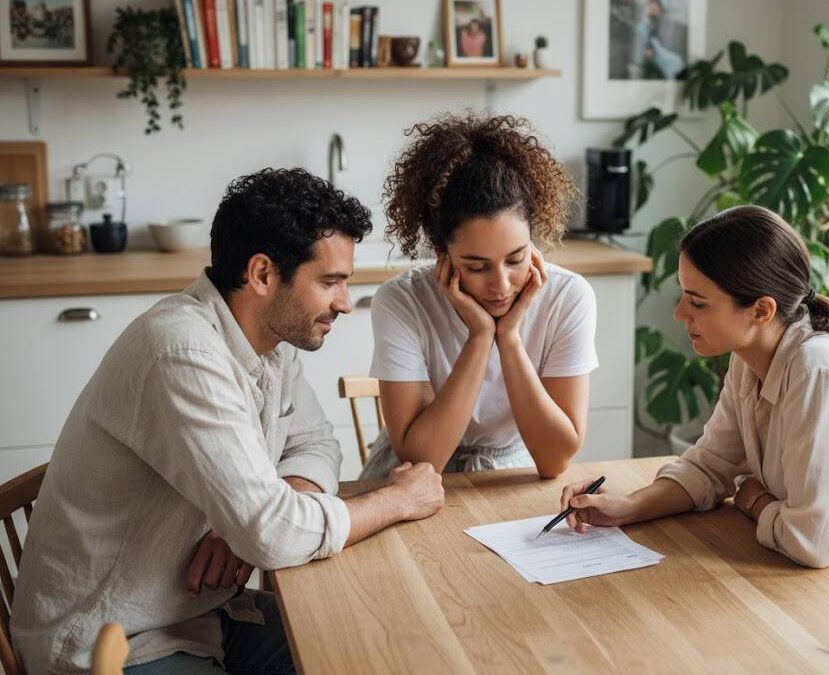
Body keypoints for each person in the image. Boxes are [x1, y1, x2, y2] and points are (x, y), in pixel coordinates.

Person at [10, 168, 445, 674]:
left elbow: (317, 444)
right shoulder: (182, 353)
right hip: (110, 642)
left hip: (198, 614)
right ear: (262, 274)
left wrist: (264, 515)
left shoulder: (270, 343)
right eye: (330, 282)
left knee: (375, 646)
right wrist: (397, 500)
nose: (344, 304)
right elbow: (271, 534)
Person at [558, 204, 829, 661]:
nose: (680, 313)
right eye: (684, 295)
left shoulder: (819, 369)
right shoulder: (749, 359)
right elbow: (710, 466)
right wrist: (628, 507)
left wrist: (755, 501)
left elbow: (813, 542)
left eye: (698, 302)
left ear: (761, 310)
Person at [359, 113, 597, 480]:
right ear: (443, 254)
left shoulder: (567, 297)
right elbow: (422, 461)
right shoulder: (402, 301)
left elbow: (554, 460)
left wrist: (509, 339)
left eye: (515, 259)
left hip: (513, 473)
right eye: (476, 266)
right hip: (406, 480)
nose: (501, 285)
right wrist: (481, 336)